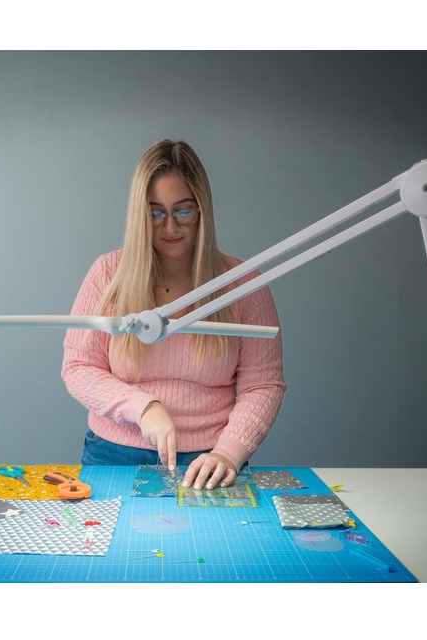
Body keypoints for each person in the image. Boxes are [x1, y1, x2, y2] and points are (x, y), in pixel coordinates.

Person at [61, 139, 286, 490]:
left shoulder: (242, 283)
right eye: (155, 213)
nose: (170, 228)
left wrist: (229, 452)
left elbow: (263, 384)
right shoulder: (108, 275)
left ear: (203, 211)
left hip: (211, 462)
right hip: (114, 454)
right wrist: (142, 407)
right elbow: (78, 367)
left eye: (183, 211)